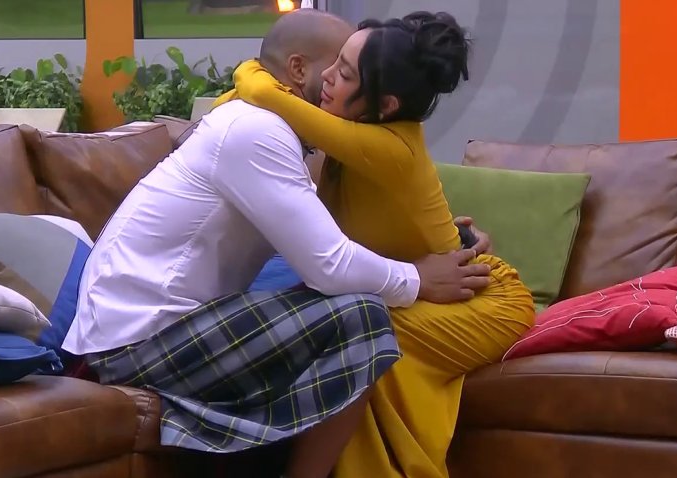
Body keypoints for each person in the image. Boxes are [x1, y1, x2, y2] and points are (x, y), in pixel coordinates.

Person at [62, 10, 494, 478]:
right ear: (298, 69)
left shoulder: (276, 131)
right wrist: (418, 279)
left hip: (167, 327)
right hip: (136, 341)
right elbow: (330, 264)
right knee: (362, 315)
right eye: (337, 64)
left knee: (347, 303)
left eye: (349, 72)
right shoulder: (256, 131)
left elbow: (329, 239)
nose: (337, 76)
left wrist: (451, 242)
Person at [223, 10, 536, 478]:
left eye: (346, 73)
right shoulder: (348, 137)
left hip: (484, 300)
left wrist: (252, 67)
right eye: (334, 62)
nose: (327, 77)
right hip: (439, 279)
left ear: (385, 105)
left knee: (361, 334)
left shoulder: (390, 146)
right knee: (347, 322)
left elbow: (260, 90)